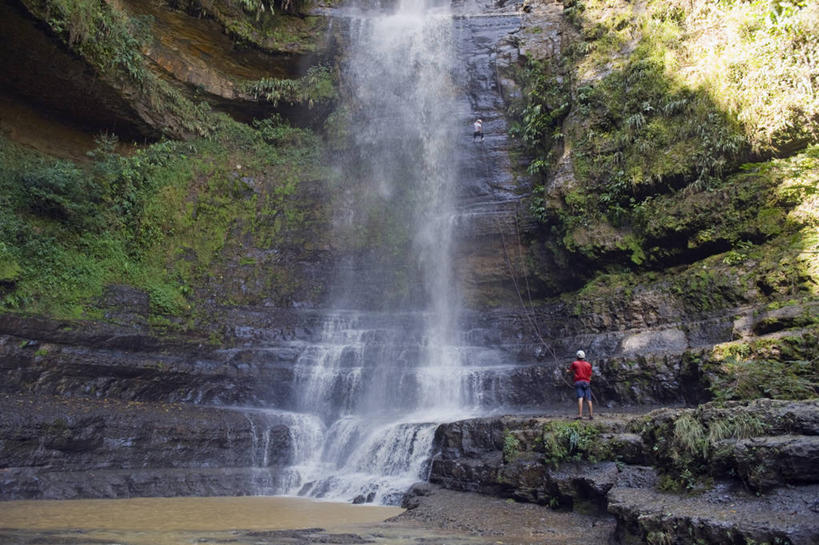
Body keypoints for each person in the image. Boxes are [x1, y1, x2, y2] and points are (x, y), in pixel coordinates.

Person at [567, 350, 593, 420]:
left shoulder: (575, 363)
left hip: (578, 382)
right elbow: (590, 374)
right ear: (584, 357)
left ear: (577, 356)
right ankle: (591, 415)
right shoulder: (588, 364)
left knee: (580, 398)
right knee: (588, 399)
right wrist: (588, 381)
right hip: (586, 382)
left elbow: (570, 370)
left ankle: (580, 415)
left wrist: (567, 371)